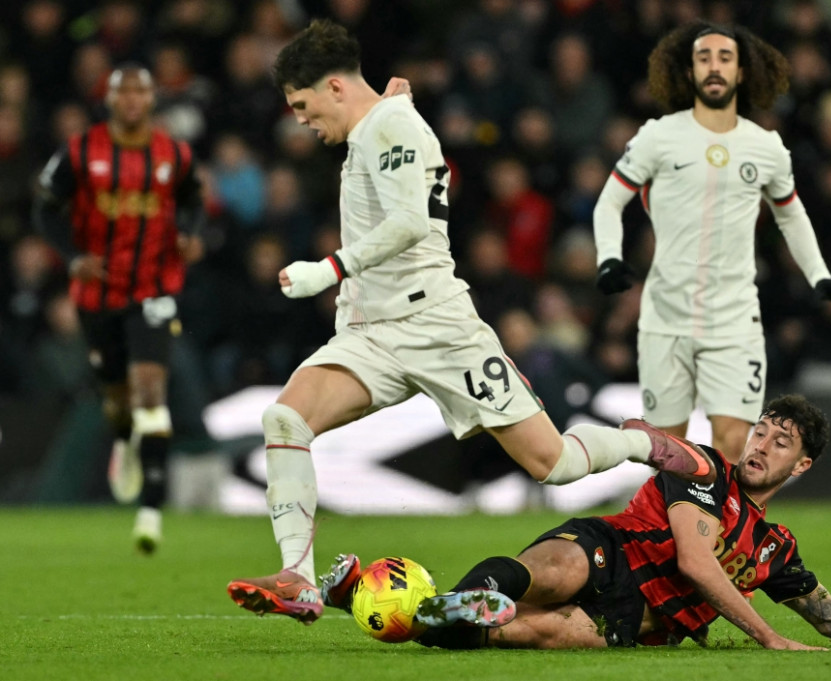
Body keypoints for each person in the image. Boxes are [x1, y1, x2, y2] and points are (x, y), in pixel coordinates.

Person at [225, 19, 717, 626]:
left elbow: (409, 222)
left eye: (302, 105)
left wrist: (328, 268)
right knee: (286, 418)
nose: (298, 118)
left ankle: (649, 442)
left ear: (332, 86)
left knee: (554, 463)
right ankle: (298, 577)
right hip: (372, 333)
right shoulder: (381, 123)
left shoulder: (391, 125)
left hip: (438, 327)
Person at [319, 394, 831, 651]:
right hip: (610, 553)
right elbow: (698, 563)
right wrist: (767, 636)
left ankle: (417, 611)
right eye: (761, 430)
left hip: (638, 619)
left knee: (542, 628)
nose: (760, 444)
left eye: (780, 442)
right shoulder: (704, 470)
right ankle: (448, 604)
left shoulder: (775, 548)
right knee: (552, 574)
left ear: (803, 464)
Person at [591, 22, 831, 464]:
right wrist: (609, 259)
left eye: (725, 58)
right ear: (689, 72)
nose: (714, 67)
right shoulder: (658, 135)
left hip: (734, 321)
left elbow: (791, 214)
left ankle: (722, 536)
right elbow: (609, 201)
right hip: (665, 318)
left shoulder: (766, 147)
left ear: (742, 73)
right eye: (704, 58)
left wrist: (819, 275)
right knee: (666, 453)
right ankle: (675, 534)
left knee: (733, 444)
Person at [33, 64, 205, 552]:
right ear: (109, 100)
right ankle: (126, 439)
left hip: (152, 288)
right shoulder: (81, 151)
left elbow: (193, 198)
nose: (132, 100)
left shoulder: (174, 152)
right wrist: (72, 257)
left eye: (140, 92)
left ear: (152, 100)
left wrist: (190, 235)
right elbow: (45, 207)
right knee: (115, 398)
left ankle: (150, 512)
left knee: (151, 389)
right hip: (98, 295)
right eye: (122, 92)